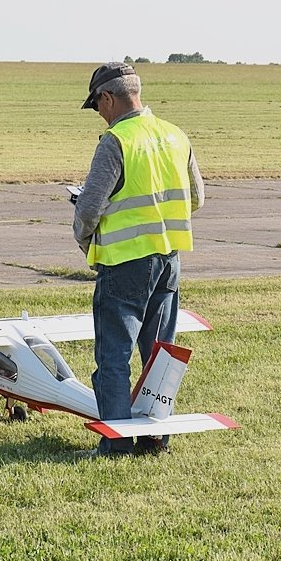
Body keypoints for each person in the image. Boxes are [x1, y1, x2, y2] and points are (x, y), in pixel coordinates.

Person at [73, 62, 204, 456]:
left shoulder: (116, 141)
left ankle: (117, 445)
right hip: (169, 260)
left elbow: (89, 210)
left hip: (125, 263)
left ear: (108, 98)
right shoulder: (176, 135)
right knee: (160, 355)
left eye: (97, 105)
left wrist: (86, 241)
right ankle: (155, 439)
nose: (99, 113)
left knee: (114, 357)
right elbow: (197, 198)